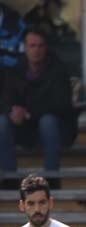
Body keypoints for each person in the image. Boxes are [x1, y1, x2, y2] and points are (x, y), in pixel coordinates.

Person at [0, 28, 77, 177]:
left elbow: (61, 105)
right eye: (32, 46)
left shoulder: (58, 71)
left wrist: (28, 112)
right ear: (25, 48)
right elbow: (5, 99)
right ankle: (9, 178)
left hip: (57, 128)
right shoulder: (15, 70)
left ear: (46, 47)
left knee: (47, 121)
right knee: (2, 122)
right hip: (25, 128)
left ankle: (51, 178)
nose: (37, 50)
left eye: (41, 46)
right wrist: (12, 110)